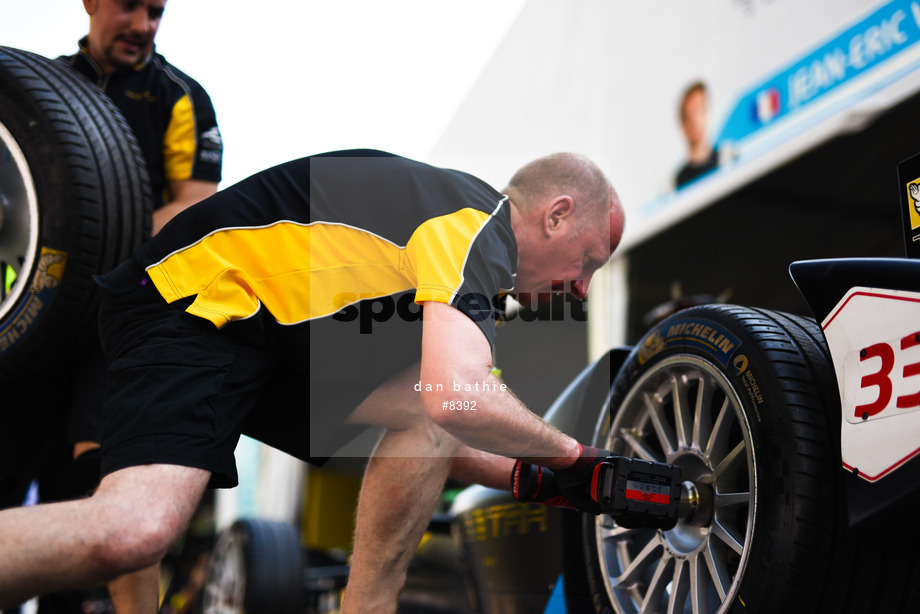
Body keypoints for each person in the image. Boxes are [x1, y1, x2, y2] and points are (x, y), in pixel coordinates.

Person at [0, 149, 624, 614]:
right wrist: (575, 453)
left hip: (270, 340)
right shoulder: (475, 228)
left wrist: (564, 479)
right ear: (556, 215)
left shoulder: (466, 271)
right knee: (133, 530)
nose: (581, 288)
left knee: (423, 415)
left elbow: (448, 426)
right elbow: (456, 393)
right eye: (589, 260)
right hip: (192, 301)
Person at [0, 0, 222, 611]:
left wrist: (88, 233)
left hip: (113, 323)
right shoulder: (40, 87)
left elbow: (195, 205)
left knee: (94, 484)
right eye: (129, 6)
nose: (144, 25)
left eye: (157, 11)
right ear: (92, 3)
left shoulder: (180, 97)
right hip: (31, 322)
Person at [675, 80, 719, 188]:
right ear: (683, 125)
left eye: (699, 110)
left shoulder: (727, 158)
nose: (695, 120)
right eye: (689, 114)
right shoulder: (676, 183)